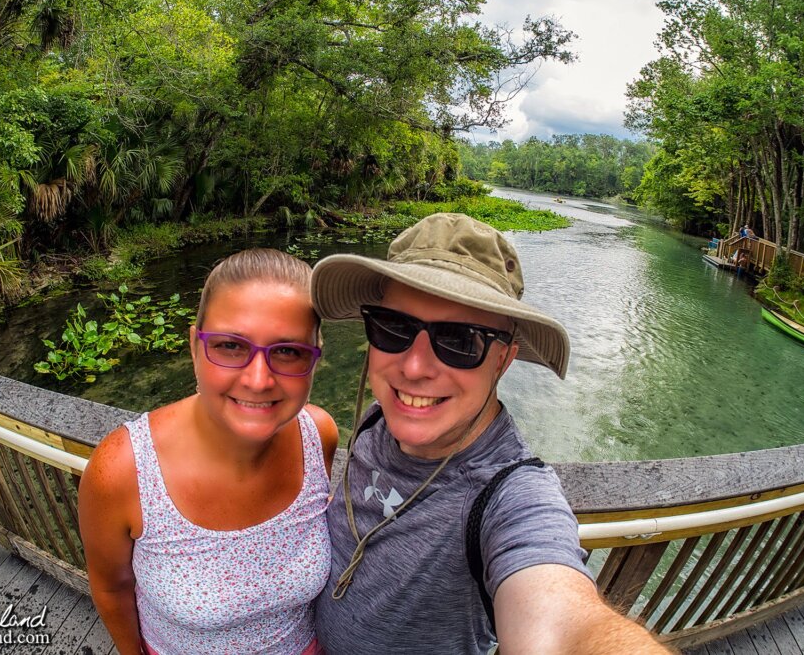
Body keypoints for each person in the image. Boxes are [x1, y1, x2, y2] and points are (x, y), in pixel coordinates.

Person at [310, 213, 669, 654]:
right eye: (393, 327)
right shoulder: (378, 417)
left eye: (460, 341)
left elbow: (562, 620)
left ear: (503, 360)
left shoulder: (508, 495)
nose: (414, 367)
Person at [78, 248, 339, 655]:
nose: (258, 380)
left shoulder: (318, 435)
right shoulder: (122, 470)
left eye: (288, 351)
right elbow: (112, 588)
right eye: (230, 346)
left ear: (315, 358)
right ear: (194, 347)